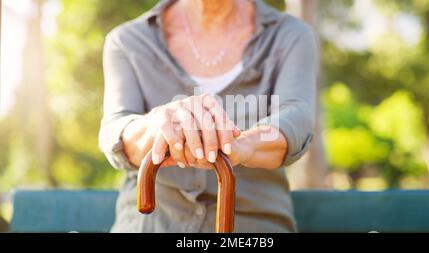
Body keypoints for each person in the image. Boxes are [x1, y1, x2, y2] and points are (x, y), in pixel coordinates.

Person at [99, 0, 316, 233]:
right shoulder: (128, 40)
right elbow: (116, 130)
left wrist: (243, 145)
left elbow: (297, 117)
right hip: (151, 224)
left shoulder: (289, 35)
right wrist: (159, 124)